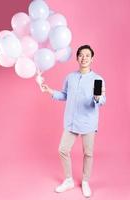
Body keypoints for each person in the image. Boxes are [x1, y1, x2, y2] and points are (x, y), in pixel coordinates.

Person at [36, 45, 106, 197]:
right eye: (81, 55)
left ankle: (85, 181)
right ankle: (68, 180)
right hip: (71, 122)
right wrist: (50, 91)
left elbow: (102, 100)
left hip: (88, 123)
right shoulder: (70, 77)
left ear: (92, 59)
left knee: (88, 153)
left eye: (87, 55)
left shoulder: (98, 79)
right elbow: (64, 95)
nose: (84, 58)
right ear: (77, 58)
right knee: (63, 149)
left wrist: (97, 99)